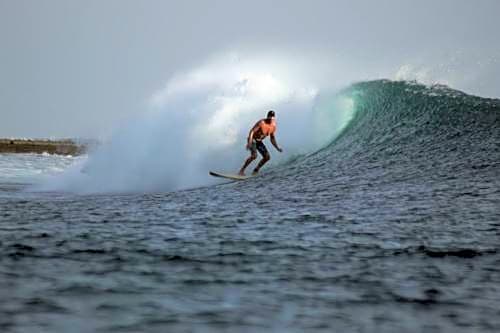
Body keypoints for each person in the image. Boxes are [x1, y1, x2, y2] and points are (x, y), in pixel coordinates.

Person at [239, 110, 283, 176]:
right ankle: (241, 171)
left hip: (259, 141)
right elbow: (252, 131)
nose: (271, 118)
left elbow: (272, 138)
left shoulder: (273, 126)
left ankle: (256, 170)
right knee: (254, 156)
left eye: (272, 117)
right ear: (267, 116)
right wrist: (250, 142)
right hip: (253, 139)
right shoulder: (262, 123)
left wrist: (277, 148)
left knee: (267, 157)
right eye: (269, 116)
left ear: (274, 117)